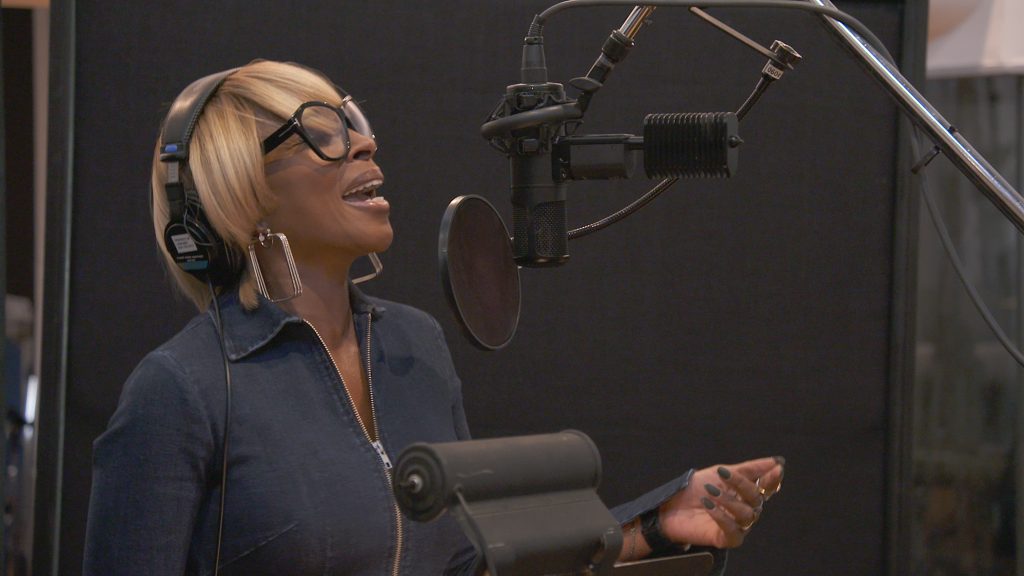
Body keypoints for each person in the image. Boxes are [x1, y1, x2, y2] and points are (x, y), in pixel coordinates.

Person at [83, 59, 785, 576]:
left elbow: (462, 564)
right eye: (322, 132)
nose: (364, 144)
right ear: (241, 187)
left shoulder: (412, 345)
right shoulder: (182, 390)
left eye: (355, 124)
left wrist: (654, 526)